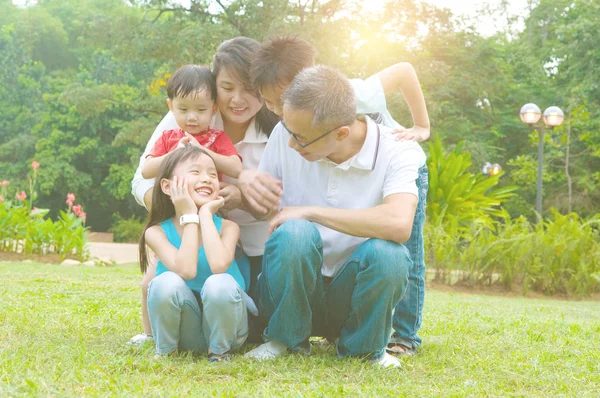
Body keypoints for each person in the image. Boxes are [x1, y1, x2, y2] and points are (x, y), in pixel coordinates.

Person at [248, 36, 429, 356]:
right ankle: (286, 339)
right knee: (293, 233)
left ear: (341, 133)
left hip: (353, 286)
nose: (291, 143)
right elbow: (272, 211)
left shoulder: (397, 148)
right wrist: (252, 193)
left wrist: (310, 211)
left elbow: (400, 224)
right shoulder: (286, 129)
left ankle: (381, 343)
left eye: (301, 139)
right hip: (304, 286)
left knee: (396, 253)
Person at [129, 37, 279, 345]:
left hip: (255, 245)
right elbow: (142, 179)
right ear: (213, 88)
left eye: (249, 87)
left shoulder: (279, 127)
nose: (238, 98)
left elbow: (288, 202)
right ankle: (154, 333)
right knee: (163, 283)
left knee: (248, 327)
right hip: (188, 235)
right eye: (227, 87)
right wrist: (176, 211)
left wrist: (241, 199)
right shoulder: (187, 115)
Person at [138, 145, 256, 361]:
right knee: (165, 282)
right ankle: (167, 351)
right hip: (187, 334)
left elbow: (218, 266)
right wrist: (190, 216)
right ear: (167, 186)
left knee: (219, 282)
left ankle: (219, 353)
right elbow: (186, 270)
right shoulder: (156, 232)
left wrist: (206, 215)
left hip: (230, 331)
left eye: (212, 174)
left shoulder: (229, 227)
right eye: (195, 172)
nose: (207, 179)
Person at [141, 64, 242, 182]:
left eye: (201, 110)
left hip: (206, 197)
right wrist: (176, 154)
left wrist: (201, 150)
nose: (192, 117)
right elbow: (146, 171)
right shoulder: (167, 138)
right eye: (183, 109)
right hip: (173, 197)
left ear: (214, 108)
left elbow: (236, 169)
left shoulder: (217, 138)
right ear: (171, 106)